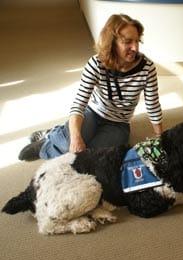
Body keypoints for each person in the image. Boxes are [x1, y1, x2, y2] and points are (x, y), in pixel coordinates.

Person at [19, 14, 163, 161]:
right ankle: (49, 140)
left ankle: (59, 137)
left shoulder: (147, 68)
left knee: (92, 157)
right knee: (71, 143)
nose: (135, 47)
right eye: (128, 42)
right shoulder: (96, 64)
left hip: (118, 124)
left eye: (137, 41)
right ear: (112, 42)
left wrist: (160, 137)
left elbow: (153, 105)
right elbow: (79, 104)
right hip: (93, 113)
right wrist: (75, 138)